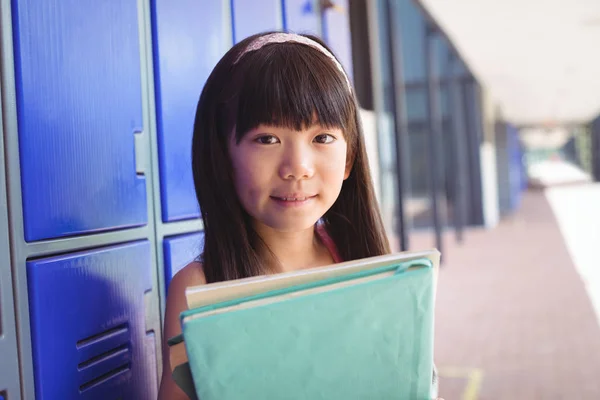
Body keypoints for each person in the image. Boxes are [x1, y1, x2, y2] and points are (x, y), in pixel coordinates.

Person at [158, 31, 441, 400]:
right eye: (267, 139)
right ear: (223, 158)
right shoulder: (198, 287)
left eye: (322, 138)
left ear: (349, 159)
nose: (298, 168)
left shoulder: (369, 266)